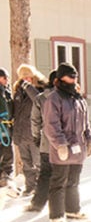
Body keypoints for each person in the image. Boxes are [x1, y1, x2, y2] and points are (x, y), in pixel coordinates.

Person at [43, 63, 91, 222]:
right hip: (62, 150)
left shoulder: (79, 99)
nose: (73, 79)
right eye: (70, 76)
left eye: (75, 76)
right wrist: (60, 144)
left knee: (73, 181)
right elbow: (51, 125)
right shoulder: (54, 98)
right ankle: (56, 215)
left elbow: (86, 123)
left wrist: (90, 139)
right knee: (59, 182)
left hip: (78, 148)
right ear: (60, 78)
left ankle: (72, 209)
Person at [12, 64, 47, 196]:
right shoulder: (18, 92)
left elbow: (39, 101)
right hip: (21, 135)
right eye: (23, 78)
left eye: (29, 77)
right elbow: (15, 113)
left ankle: (42, 188)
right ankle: (30, 186)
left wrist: (29, 88)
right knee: (26, 164)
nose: (27, 80)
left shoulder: (39, 91)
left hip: (35, 135)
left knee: (39, 163)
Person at [25, 70, 56, 213]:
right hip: (65, 145)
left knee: (45, 174)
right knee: (64, 175)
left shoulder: (40, 98)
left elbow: (35, 121)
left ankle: (38, 203)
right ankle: (63, 206)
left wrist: (37, 137)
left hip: (46, 143)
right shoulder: (71, 97)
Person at [0, 68, 14, 187]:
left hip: (6, 127)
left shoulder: (7, 92)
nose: (7, 80)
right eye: (5, 78)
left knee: (7, 151)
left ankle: (6, 176)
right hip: (2, 126)